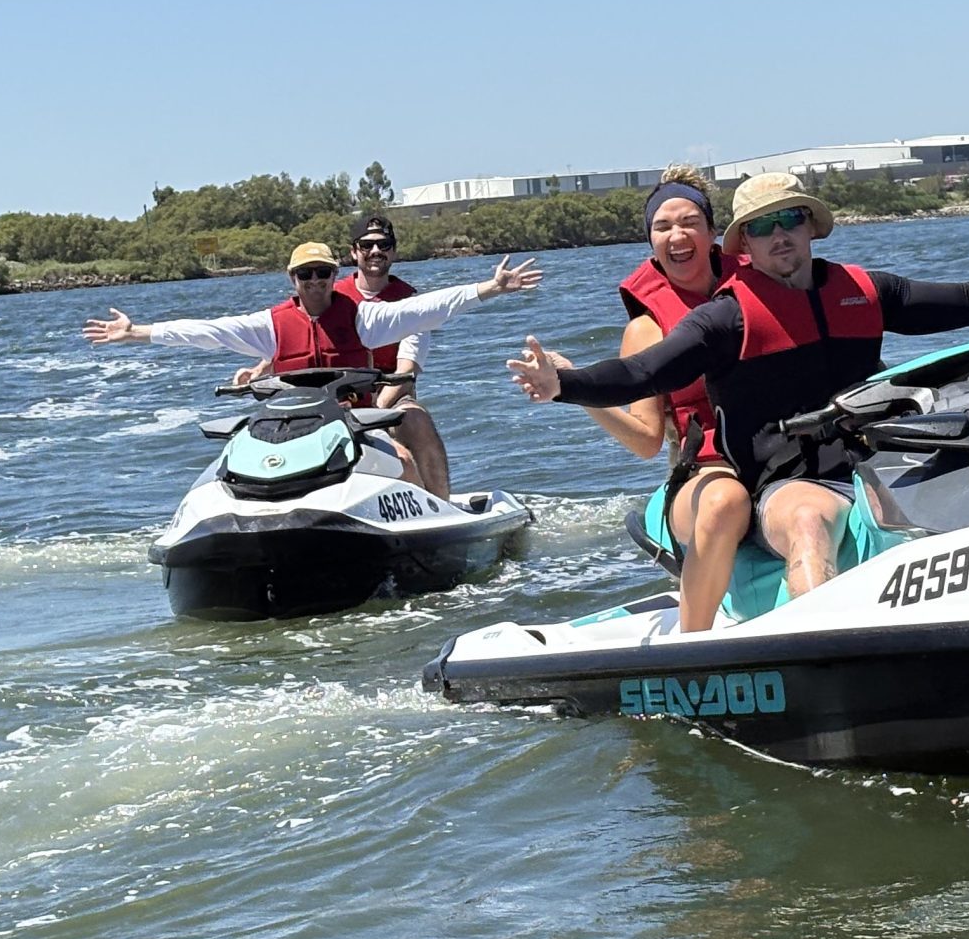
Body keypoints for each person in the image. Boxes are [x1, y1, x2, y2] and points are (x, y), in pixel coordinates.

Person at [509, 172, 969, 603]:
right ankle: (813, 652)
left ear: (810, 226)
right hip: (787, 479)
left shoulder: (862, 290)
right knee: (804, 524)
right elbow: (640, 374)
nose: (778, 237)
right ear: (743, 243)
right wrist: (561, 382)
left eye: (789, 220)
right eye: (761, 228)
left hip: (881, 460)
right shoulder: (725, 318)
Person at [85, 243, 543, 492]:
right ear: (293, 281)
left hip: (354, 420)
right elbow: (207, 330)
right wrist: (138, 332)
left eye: (323, 273)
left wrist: (490, 288)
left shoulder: (363, 317)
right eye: (306, 275)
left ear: (333, 274)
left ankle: (433, 518)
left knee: (403, 461)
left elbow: (425, 310)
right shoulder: (269, 325)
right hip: (290, 425)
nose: (316, 282)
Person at [570, 167, 750, 633]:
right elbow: (648, 441)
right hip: (708, 473)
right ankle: (694, 647)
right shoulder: (646, 330)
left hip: (779, 451)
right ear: (650, 242)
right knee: (726, 501)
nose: (677, 234)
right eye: (662, 226)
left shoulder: (761, 292)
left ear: (713, 233)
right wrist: (575, 388)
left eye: (689, 221)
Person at [334, 214, 456, 498]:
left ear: (394, 251)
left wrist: (375, 410)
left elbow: (407, 370)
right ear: (354, 252)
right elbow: (294, 331)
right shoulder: (332, 297)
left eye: (384, 245)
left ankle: (441, 505)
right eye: (367, 245)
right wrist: (259, 368)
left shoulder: (411, 303)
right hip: (337, 395)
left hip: (391, 395)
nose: (375, 252)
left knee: (416, 419)